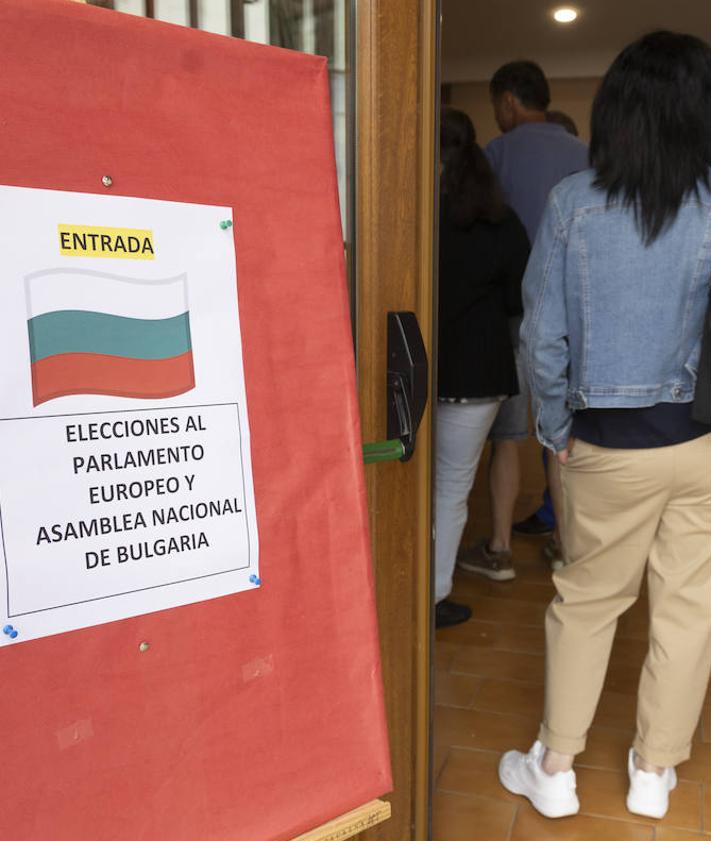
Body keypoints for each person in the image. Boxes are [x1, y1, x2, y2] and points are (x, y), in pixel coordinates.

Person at [498, 31, 711, 821]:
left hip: (607, 444)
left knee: (587, 601)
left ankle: (553, 768)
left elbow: (539, 336)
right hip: (699, 441)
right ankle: (654, 773)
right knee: (690, 606)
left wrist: (554, 425)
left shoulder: (574, 203)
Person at [456, 61, 587, 580]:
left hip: (512, 315)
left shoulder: (496, 155)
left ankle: (500, 547)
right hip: (578, 318)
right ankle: (565, 543)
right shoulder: (586, 156)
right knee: (563, 437)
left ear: (508, 101)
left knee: (507, 437)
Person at [435, 107, 529, 628]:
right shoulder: (501, 220)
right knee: (452, 487)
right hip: (481, 372)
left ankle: (400, 584)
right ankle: (434, 593)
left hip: (415, 367)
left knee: (410, 484)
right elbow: (521, 297)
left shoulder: (412, 212)